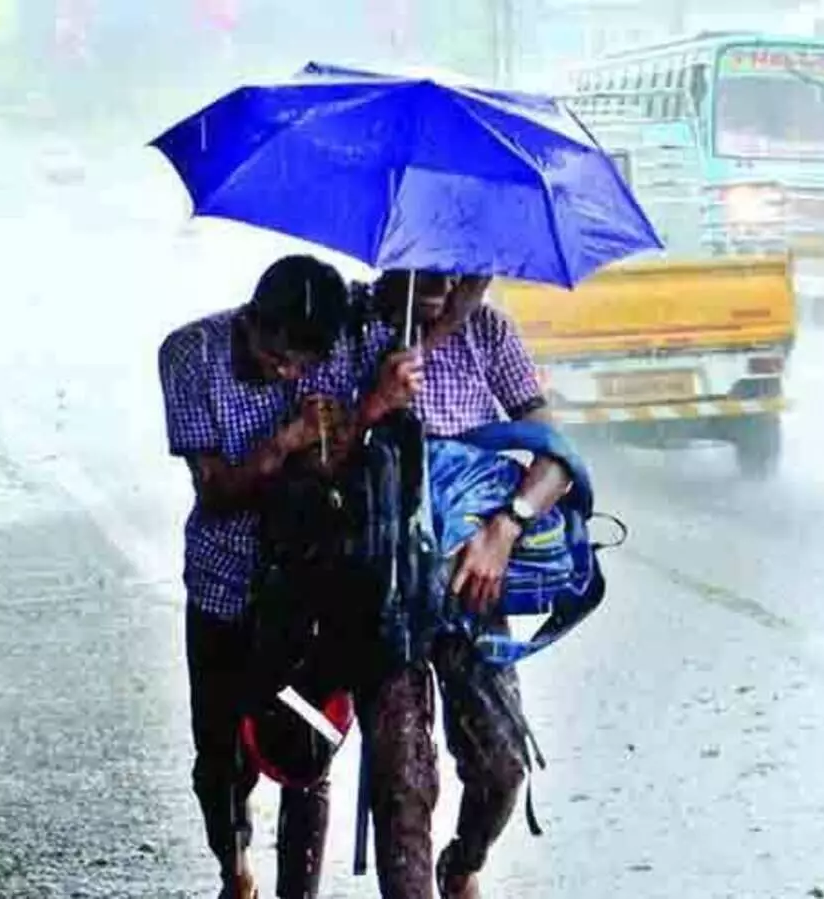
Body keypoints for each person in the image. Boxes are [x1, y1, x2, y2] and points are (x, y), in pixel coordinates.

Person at [159, 254, 421, 899]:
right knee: (221, 755)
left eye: (302, 365)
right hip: (226, 583)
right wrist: (288, 440)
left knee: (307, 745)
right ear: (251, 320)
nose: (289, 374)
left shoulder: (340, 348)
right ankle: (235, 868)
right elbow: (216, 490)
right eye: (277, 359)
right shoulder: (189, 356)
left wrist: (376, 402)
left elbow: (344, 456)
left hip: (311, 588)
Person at [359, 269, 573, 899]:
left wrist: (505, 528)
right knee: (402, 783)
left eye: (457, 262)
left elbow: (557, 454)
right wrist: (377, 399)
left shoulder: (489, 331)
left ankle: (462, 865)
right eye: (427, 261)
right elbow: (322, 449)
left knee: (502, 765)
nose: (444, 275)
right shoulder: (352, 328)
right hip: (381, 592)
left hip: (471, 590)